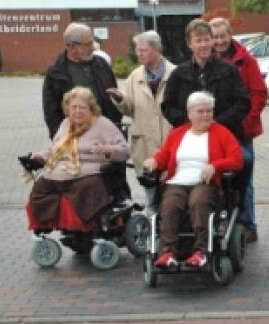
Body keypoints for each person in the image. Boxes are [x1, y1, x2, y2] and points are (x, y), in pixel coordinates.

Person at [143, 92, 244, 269]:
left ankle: (201, 252)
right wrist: (154, 161)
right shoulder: (177, 133)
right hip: (177, 181)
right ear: (190, 114)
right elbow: (164, 155)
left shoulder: (222, 133)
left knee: (198, 202)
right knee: (170, 205)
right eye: (200, 111)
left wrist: (215, 166)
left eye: (209, 111)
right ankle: (167, 252)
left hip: (205, 183)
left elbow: (237, 160)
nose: (206, 115)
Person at [27, 87, 129, 231]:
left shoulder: (102, 124)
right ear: (67, 109)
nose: (78, 111)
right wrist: (39, 157)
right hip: (59, 172)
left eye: (82, 107)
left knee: (85, 188)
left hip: (87, 173)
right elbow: (54, 149)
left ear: (91, 108)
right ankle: (48, 225)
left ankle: (86, 225)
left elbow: (125, 151)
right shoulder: (65, 124)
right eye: (74, 107)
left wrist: (107, 149)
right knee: (39, 189)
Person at [210, 17, 268, 243]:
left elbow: (259, 93)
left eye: (223, 36)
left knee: (244, 178)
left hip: (241, 131)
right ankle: (221, 221)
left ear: (230, 35)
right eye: (214, 37)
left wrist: (246, 120)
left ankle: (247, 224)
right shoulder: (206, 61)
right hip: (214, 132)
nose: (219, 41)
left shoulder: (246, 60)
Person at [105, 31, 174, 210]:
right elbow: (130, 110)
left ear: (157, 49)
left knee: (173, 188)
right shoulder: (134, 77)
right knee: (150, 189)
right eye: (137, 50)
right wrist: (120, 99)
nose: (139, 54)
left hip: (170, 139)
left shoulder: (176, 73)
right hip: (145, 142)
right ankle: (152, 228)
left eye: (143, 50)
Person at [161, 19, 251, 154]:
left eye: (207, 39)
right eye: (198, 41)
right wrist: (191, 122)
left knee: (246, 161)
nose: (204, 45)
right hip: (190, 139)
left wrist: (217, 122)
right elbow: (168, 106)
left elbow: (243, 102)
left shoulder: (229, 71)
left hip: (226, 137)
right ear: (189, 44)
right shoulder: (178, 74)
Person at [42, 23, 123, 139]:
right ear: (72, 47)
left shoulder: (102, 64)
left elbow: (115, 97)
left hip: (106, 133)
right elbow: (51, 112)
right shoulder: (55, 73)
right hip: (75, 136)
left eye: (92, 42)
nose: (93, 47)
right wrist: (60, 139)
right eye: (88, 44)